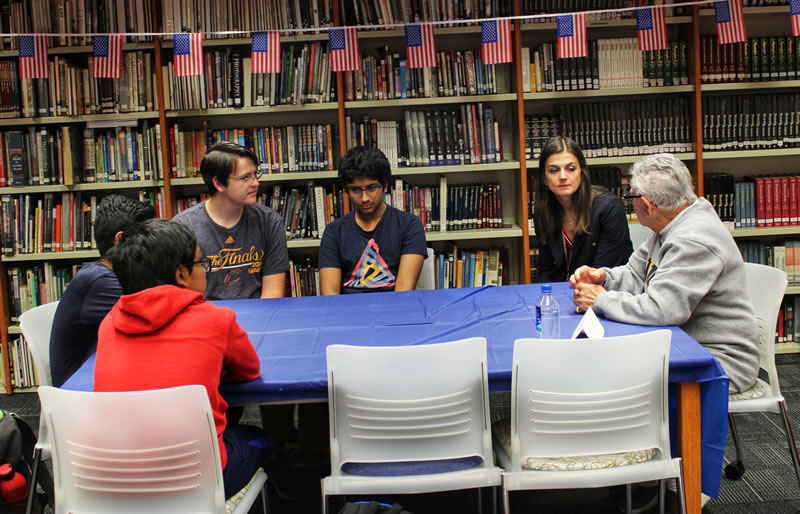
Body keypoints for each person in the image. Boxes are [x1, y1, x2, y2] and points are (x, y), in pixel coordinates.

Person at [93, 218, 272, 499]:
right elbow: (249, 371)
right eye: (202, 263)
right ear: (181, 276)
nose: (207, 271)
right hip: (197, 482)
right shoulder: (216, 319)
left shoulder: (108, 324)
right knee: (262, 440)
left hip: (118, 483)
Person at [570, 153, 759, 393]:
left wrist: (600, 300)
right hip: (682, 343)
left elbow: (663, 309)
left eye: (631, 196)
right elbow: (637, 274)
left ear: (646, 203)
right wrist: (605, 278)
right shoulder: (668, 225)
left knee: (610, 376)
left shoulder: (694, 240)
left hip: (717, 361)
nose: (630, 203)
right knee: (607, 366)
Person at [48, 194, 155, 387]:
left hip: (102, 379)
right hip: (81, 394)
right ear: (120, 240)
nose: (152, 244)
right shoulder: (100, 282)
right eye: (145, 236)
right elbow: (156, 317)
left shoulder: (111, 273)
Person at [173, 142, 289, 300]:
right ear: (218, 183)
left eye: (255, 174)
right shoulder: (183, 227)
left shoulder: (269, 221)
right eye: (245, 178)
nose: (256, 183)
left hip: (258, 317)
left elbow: (273, 293)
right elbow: (181, 295)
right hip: (206, 318)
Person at [319, 145, 427, 294]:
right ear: (346, 190)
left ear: (385, 186)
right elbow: (330, 296)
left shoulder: (409, 225)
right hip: (347, 313)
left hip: (393, 311)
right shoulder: (334, 232)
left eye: (371, 188)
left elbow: (403, 293)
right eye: (356, 190)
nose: (364, 198)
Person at [532, 136, 633, 283]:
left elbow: (603, 273)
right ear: (544, 179)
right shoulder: (543, 212)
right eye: (554, 170)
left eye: (571, 169)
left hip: (608, 294)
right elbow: (546, 269)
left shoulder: (609, 208)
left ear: (582, 172)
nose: (562, 176)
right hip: (564, 293)